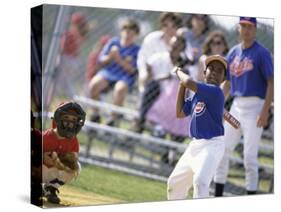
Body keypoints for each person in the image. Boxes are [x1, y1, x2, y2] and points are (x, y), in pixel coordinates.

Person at [214, 17, 274, 196]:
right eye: (243, 26)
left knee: (249, 157)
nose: (246, 30)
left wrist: (265, 111)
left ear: (255, 30)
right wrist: (216, 102)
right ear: (239, 29)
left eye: (250, 26)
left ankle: (251, 197)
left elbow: (272, 82)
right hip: (237, 107)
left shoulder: (262, 53)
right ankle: (217, 195)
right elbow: (227, 83)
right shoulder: (233, 52)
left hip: (255, 107)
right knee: (222, 151)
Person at [167, 55, 227, 199]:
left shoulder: (216, 92)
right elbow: (180, 112)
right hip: (195, 146)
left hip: (212, 145)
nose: (214, 72)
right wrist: (182, 86)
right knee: (174, 183)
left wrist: (178, 72)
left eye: (219, 71)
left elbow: (188, 80)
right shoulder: (197, 94)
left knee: (200, 181)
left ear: (223, 78)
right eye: (211, 69)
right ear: (204, 72)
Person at [135, 12, 182, 132]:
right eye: (165, 25)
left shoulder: (181, 45)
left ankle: (154, 127)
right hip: (150, 82)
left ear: (178, 28)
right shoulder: (152, 39)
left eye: (173, 26)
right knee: (152, 87)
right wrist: (144, 77)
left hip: (170, 87)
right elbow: (143, 63)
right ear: (161, 25)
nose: (169, 29)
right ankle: (141, 122)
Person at [88, 19, 140, 126]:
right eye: (126, 31)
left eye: (131, 32)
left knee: (120, 89)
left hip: (124, 77)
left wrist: (118, 59)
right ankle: (96, 114)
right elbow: (101, 60)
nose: (127, 34)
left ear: (136, 35)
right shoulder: (113, 42)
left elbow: (133, 70)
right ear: (121, 32)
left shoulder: (137, 49)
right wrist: (110, 56)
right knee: (94, 84)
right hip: (108, 73)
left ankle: (112, 119)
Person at [145, 35, 190, 141]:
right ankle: (155, 128)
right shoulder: (159, 58)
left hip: (175, 98)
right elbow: (150, 75)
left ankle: (169, 145)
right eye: (173, 46)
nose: (175, 49)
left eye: (178, 47)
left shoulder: (185, 66)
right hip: (161, 94)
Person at [42, 102, 86, 204]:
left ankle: (50, 188)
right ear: (58, 118)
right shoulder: (46, 137)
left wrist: (64, 160)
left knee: (76, 166)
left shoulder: (74, 141)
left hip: (52, 171)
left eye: (74, 120)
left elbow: (72, 160)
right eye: (66, 117)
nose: (70, 122)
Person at [55, 12, 89, 98]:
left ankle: (47, 99)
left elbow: (62, 47)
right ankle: (75, 100)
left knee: (57, 82)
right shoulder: (81, 34)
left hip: (66, 59)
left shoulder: (71, 33)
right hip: (75, 61)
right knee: (66, 83)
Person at [178, 14, 210, 81]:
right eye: (197, 18)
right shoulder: (183, 33)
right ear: (191, 19)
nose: (200, 22)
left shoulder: (207, 40)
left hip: (197, 69)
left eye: (203, 19)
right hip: (181, 64)